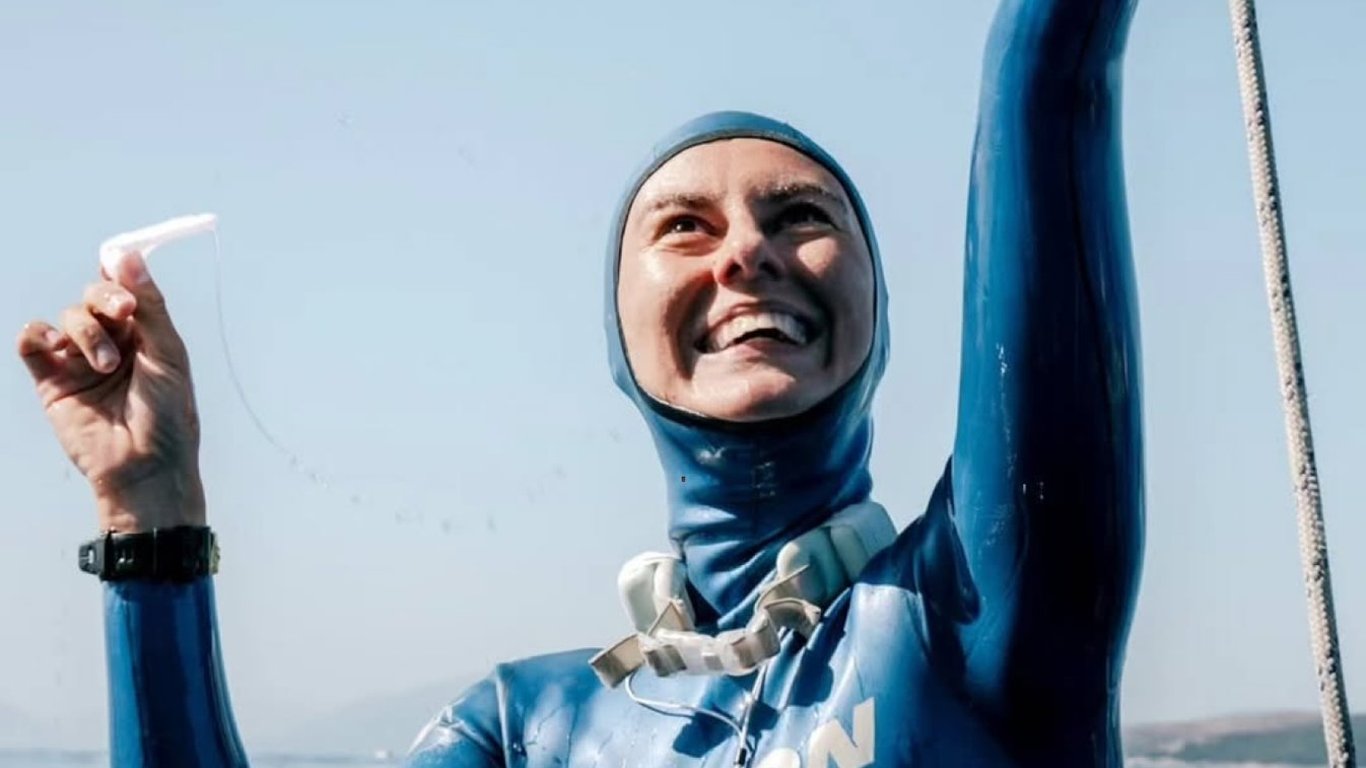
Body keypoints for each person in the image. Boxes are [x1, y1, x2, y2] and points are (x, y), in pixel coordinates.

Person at [16, 0, 1145, 764]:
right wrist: (151, 520)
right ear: (620, 336)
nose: (744, 255)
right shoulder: (527, 728)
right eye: (683, 226)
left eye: (801, 216)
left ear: (878, 309)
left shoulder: (974, 609)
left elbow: (1047, 78)